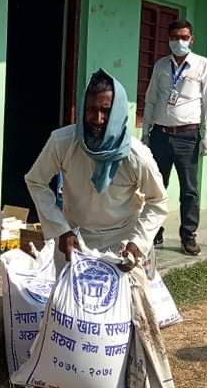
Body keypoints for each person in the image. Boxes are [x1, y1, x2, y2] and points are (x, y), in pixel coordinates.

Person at [25, 70, 167, 266]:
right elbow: (35, 180)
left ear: (118, 112)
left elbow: (158, 200)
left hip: (123, 244)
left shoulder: (136, 155)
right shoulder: (63, 142)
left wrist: (138, 243)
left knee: (128, 296)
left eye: (106, 110)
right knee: (69, 297)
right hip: (74, 242)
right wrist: (60, 229)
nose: (98, 119)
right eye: (91, 109)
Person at [141, 19, 207, 256]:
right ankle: (154, 232)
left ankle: (188, 237)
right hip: (161, 136)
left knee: (189, 190)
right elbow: (151, 98)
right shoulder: (161, 66)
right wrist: (145, 132)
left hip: (188, 136)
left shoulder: (203, 65)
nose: (179, 42)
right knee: (155, 188)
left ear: (191, 39)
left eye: (184, 37)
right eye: (175, 37)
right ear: (169, 39)